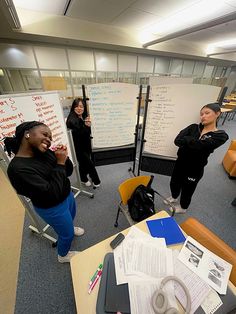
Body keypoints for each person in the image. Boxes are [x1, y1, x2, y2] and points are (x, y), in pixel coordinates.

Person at [4, 121, 84, 263]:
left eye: (50, 137)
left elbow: (68, 172)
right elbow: (50, 193)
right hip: (52, 207)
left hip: (67, 195)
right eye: (45, 134)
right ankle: (63, 255)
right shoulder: (17, 169)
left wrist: (64, 158)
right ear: (27, 134)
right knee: (66, 235)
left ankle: (68, 227)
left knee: (70, 219)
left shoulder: (44, 152)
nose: (49, 139)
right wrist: (59, 163)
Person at [164, 103, 229, 213]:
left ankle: (183, 207)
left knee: (188, 189)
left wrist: (188, 140)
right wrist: (196, 143)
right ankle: (174, 196)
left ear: (217, 114)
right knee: (174, 182)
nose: (203, 116)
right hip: (180, 162)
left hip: (195, 168)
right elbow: (177, 141)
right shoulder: (193, 127)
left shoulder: (221, 135)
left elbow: (201, 146)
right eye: (201, 114)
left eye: (207, 113)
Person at [66, 98, 101, 188]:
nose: (79, 108)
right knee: (89, 164)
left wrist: (88, 126)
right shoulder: (71, 120)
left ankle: (83, 179)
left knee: (83, 164)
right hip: (78, 147)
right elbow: (78, 135)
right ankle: (96, 180)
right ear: (73, 107)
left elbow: (87, 132)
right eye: (77, 106)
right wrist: (86, 126)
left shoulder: (83, 116)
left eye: (81, 106)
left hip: (86, 144)